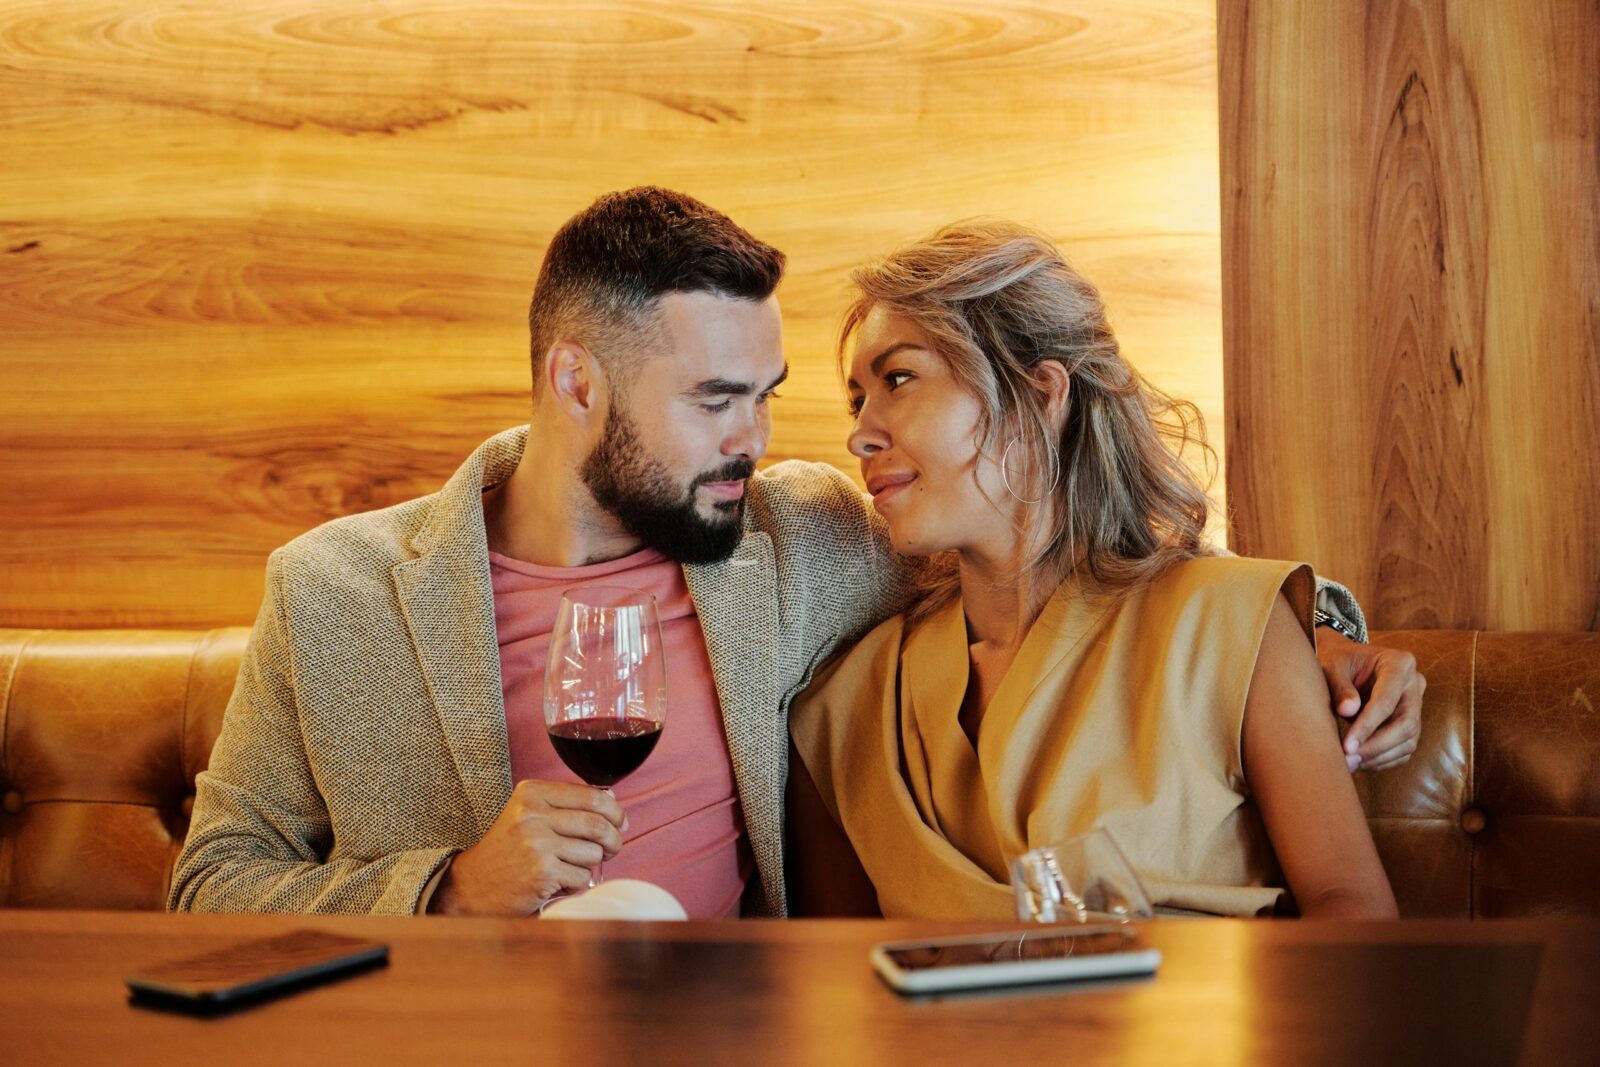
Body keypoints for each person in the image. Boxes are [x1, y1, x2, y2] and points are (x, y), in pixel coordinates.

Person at [169, 189, 1416, 919]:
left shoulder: (803, 531)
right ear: (576, 382)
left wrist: (1322, 633)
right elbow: (213, 880)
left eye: (765, 397)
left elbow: (1095, 573)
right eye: (716, 399)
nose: (759, 440)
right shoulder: (334, 591)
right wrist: (446, 888)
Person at [788, 222, 1398, 919]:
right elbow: (832, 968)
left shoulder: (1235, 625)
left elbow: (1353, 910)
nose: (860, 434)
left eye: (898, 379)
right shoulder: (844, 712)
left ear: (1040, 395)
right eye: (858, 400)